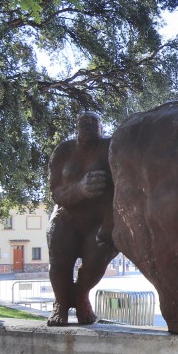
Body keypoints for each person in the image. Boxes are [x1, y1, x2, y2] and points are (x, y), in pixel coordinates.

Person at [47, 111, 117, 325]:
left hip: (98, 221)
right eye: (82, 123)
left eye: (92, 122)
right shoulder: (63, 151)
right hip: (66, 218)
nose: (87, 126)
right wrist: (79, 189)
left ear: (101, 127)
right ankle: (60, 302)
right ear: (76, 127)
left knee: (96, 262)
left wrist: (111, 221)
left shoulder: (110, 149)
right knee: (59, 260)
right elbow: (55, 192)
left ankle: (80, 296)